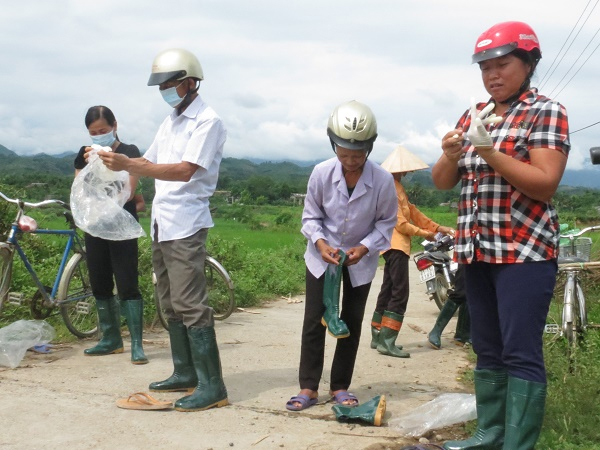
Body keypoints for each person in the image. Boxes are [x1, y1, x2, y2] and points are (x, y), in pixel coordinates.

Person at [431, 22, 569, 450]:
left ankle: (518, 443)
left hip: (524, 253)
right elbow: (441, 182)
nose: (493, 74)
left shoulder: (546, 111)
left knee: (520, 351)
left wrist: (489, 151)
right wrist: (451, 153)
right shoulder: (476, 114)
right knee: (486, 349)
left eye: (502, 64)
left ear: (528, 64)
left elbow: (545, 182)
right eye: (485, 67)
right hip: (475, 251)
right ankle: (489, 433)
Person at [94, 48, 228, 413]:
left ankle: (213, 385)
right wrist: (117, 164)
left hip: (186, 222)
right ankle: (185, 371)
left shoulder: (207, 122)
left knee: (189, 303)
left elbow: (185, 170)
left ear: (190, 82)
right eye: (161, 84)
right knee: (169, 301)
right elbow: (147, 160)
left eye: (170, 83)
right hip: (162, 221)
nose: (165, 89)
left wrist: (130, 163)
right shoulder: (171, 120)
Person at [286, 100, 398, 411]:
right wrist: (321, 244)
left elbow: (386, 222)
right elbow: (310, 217)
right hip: (323, 258)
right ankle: (308, 387)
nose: (350, 160)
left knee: (350, 321)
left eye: (358, 154)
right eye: (344, 153)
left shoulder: (383, 181)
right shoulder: (321, 173)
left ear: (370, 148)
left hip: (359, 261)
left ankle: (340, 387)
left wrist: (364, 247)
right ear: (332, 144)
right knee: (315, 320)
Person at [74, 105, 147, 365]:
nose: (98, 135)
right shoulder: (84, 155)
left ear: (115, 125)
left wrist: (106, 162)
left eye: (103, 130)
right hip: (95, 227)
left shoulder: (129, 153)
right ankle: (111, 339)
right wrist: (90, 161)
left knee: (127, 283)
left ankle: (137, 344)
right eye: (93, 132)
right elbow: (80, 191)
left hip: (121, 227)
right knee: (100, 282)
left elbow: (128, 190)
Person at [369, 145, 454, 358]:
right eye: (405, 170)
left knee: (388, 289)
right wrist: (427, 233)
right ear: (399, 169)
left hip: (389, 246)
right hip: (396, 245)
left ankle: (377, 335)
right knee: (400, 292)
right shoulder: (390, 187)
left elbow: (413, 212)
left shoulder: (394, 186)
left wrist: (437, 228)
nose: (407, 173)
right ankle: (387, 341)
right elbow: (401, 224)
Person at [427, 264, 471, 349]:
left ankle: (462, 335)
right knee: (460, 292)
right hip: (467, 256)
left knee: (473, 293)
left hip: (485, 256)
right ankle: (436, 331)